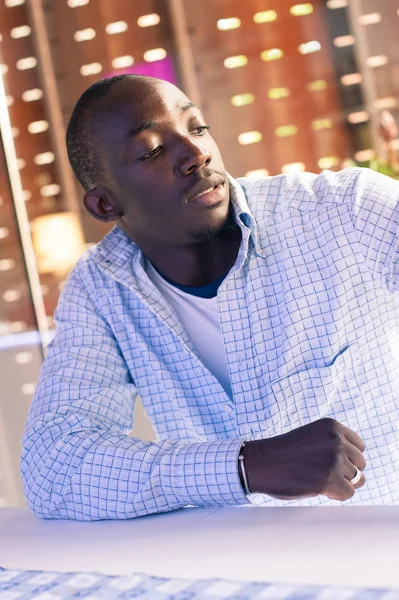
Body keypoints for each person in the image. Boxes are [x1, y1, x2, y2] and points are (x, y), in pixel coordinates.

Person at [21, 74, 399, 521]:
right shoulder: (101, 289)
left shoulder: (347, 211)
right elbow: (53, 469)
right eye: (152, 151)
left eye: (197, 127)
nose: (196, 154)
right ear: (105, 205)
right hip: (241, 575)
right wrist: (244, 466)